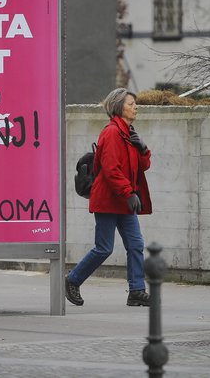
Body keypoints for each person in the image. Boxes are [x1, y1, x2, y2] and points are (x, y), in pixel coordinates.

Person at [66, 88, 153, 307]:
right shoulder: (112, 132)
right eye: (131, 103)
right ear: (118, 106)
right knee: (104, 248)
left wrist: (142, 148)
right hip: (109, 200)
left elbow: (143, 166)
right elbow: (111, 169)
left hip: (124, 201)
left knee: (136, 244)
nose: (136, 107)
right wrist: (128, 192)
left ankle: (136, 291)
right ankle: (72, 280)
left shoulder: (128, 132)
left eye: (135, 104)